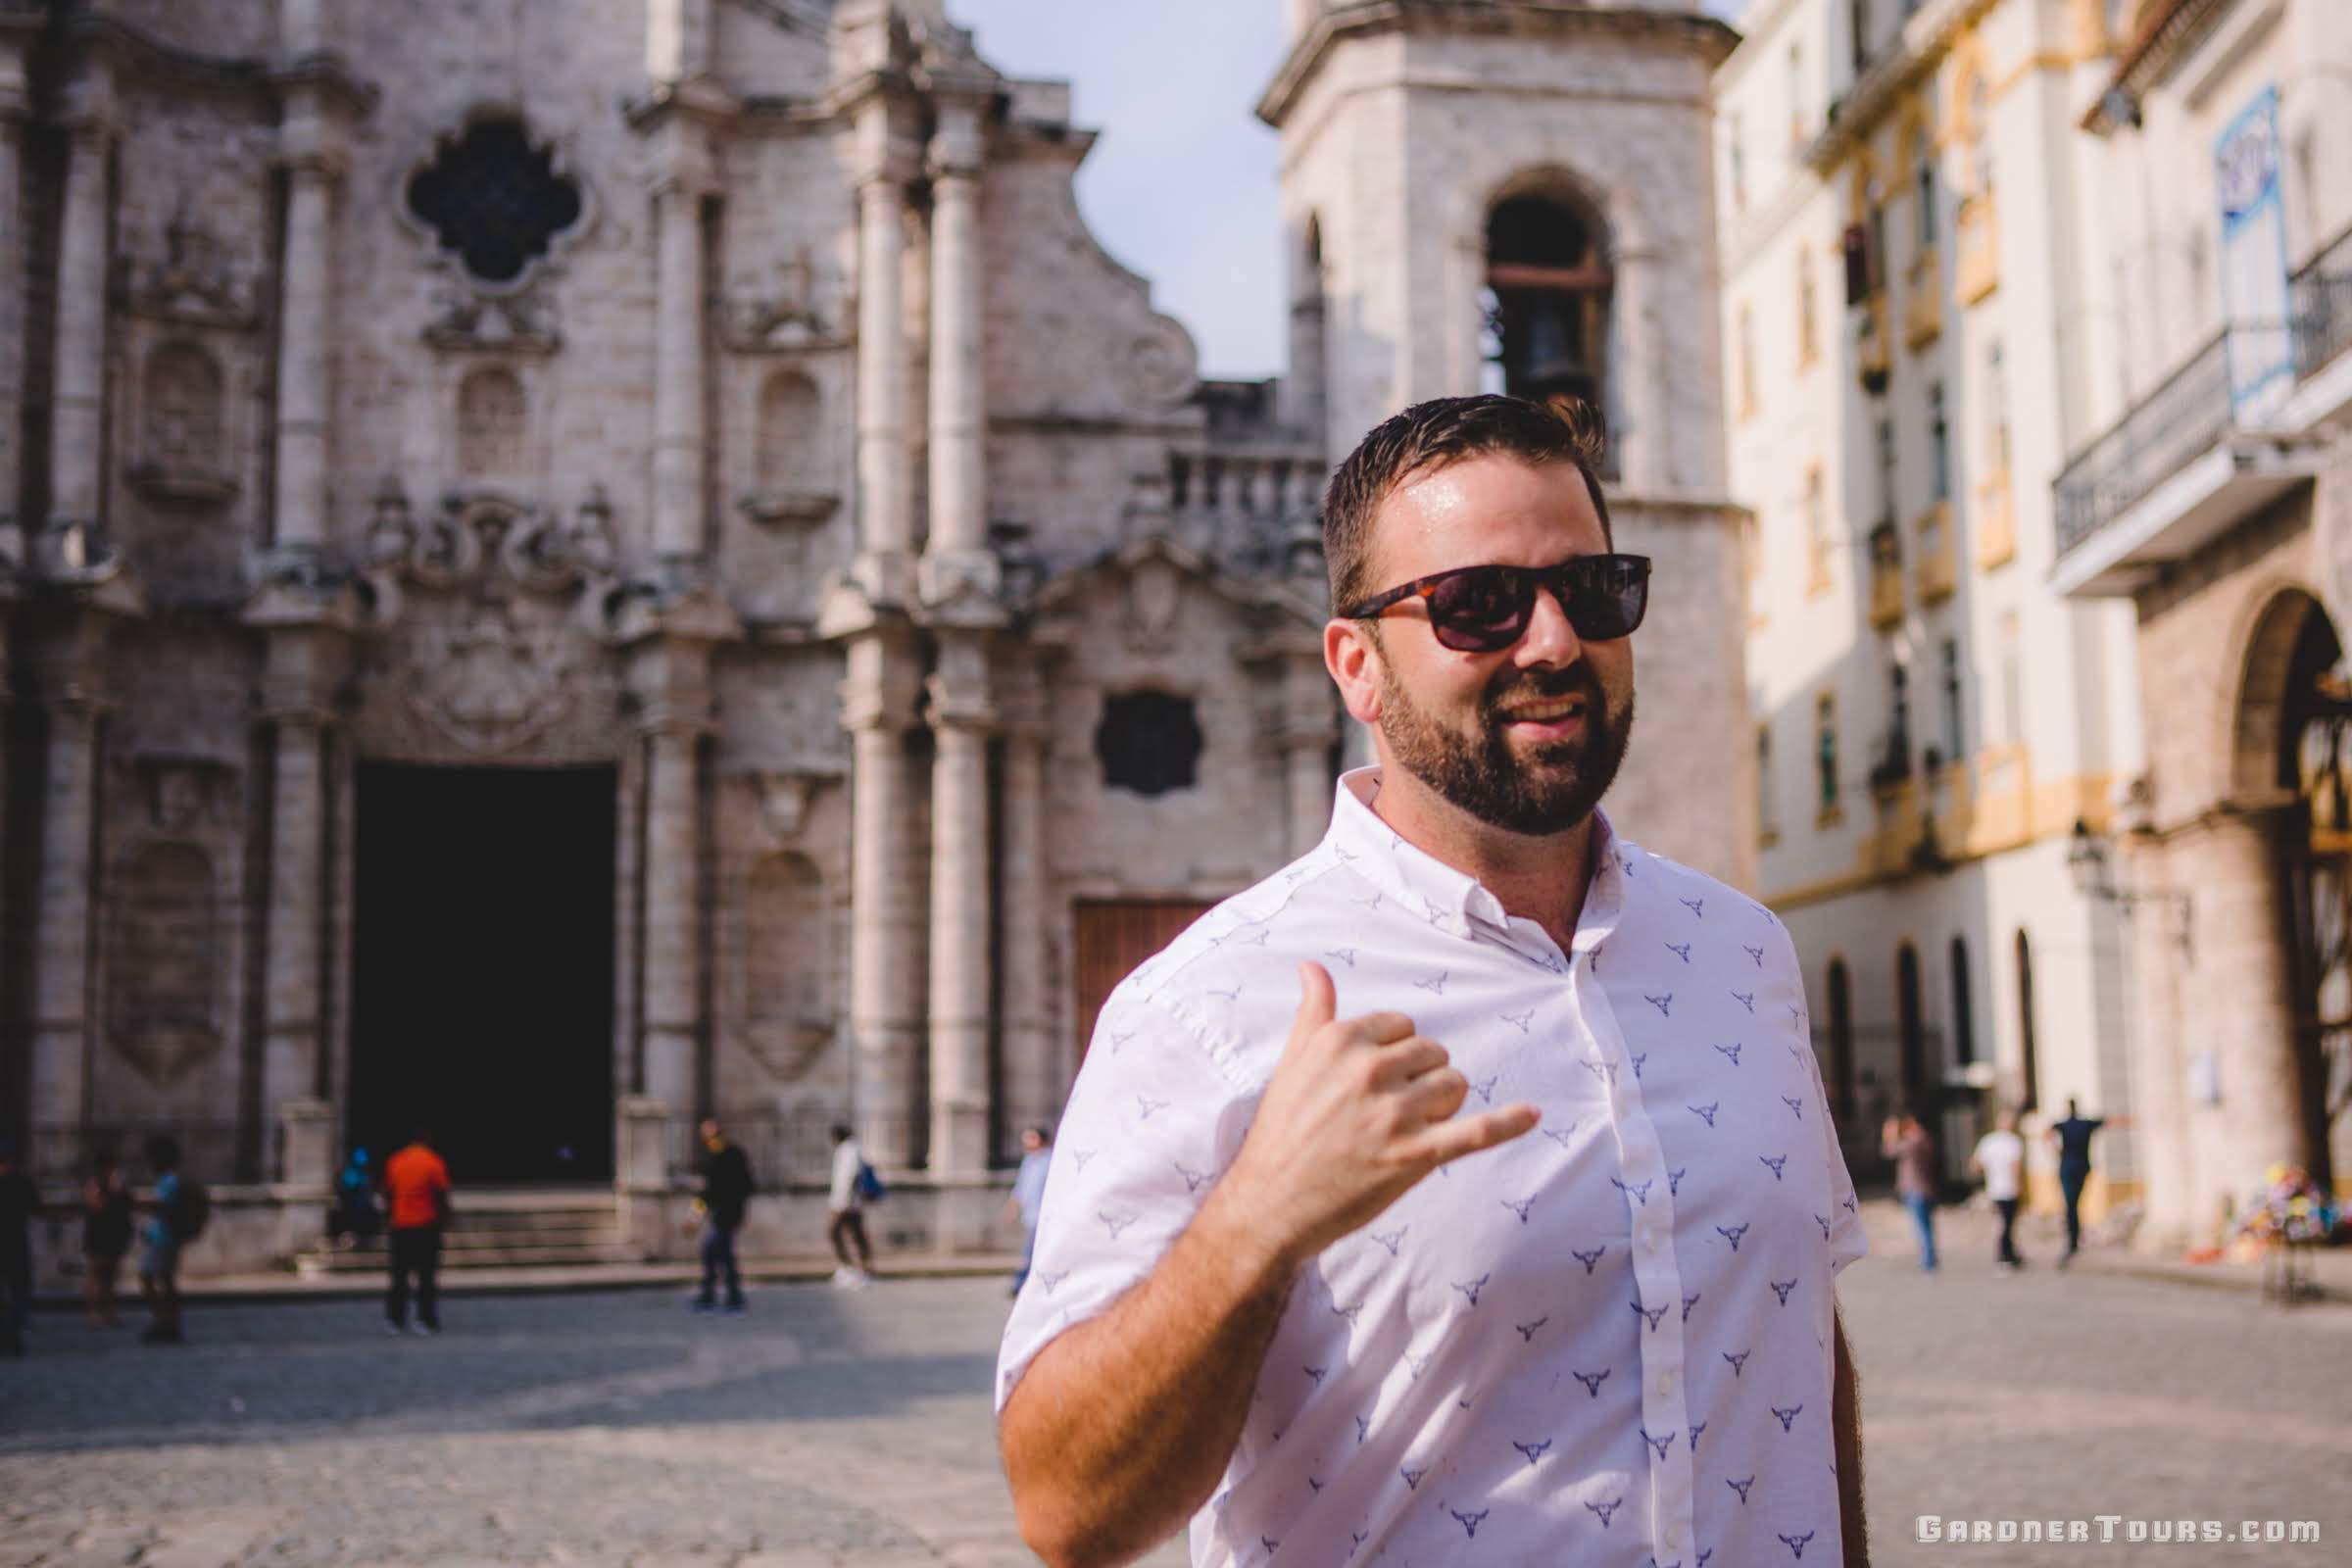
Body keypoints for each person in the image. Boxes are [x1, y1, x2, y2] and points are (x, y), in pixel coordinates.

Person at [997, 396, 1870, 1567]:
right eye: (1478, 604)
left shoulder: (1744, 950)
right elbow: (1065, 1511)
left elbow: (1796, 1342)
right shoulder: (1205, 1007)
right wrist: (1255, 1221)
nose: (1554, 641)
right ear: (1355, 665)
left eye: (1595, 590)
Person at [381, 1128, 451, 1336]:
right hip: (425, 1225)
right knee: (426, 1277)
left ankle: (395, 1319)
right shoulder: (433, 1161)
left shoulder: (397, 1161)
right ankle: (425, 1319)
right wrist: (444, 1219)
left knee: (399, 1276)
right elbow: (441, 1193)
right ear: (427, 1140)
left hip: (401, 1225)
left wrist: (390, 1217)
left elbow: (387, 1191)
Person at [2047, 1097, 2129, 1265]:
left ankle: (2073, 1241)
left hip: (2068, 1167)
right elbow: (2110, 1121)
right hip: (2083, 1167)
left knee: (2071, 1205)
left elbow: (2046, 1133)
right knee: (2075, 1203)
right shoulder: (2085, 1124)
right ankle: (2074, 1238)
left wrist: (2057, 1151)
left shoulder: (2063, 1125)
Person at [692, 1119, 754, 1314]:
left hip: (725, 1215)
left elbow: (709, 1192)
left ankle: (718, 1296)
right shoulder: (728, 1154)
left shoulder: (720, 1156)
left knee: (712, 1253)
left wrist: (694, 1216)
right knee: (722, 1255)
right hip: (728, 1214)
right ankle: (728, 1296)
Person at [138, 1135, 189, 1346]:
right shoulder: (168, 1180)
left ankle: (165, 1320)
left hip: (164, 1239)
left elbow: (163, 1206)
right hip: (162, 1237)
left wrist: (137, 1201)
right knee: (163, 1280)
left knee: (152, 1278)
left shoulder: (170, 1181)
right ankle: (167, 1320)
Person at [1970, 1108, 2027, 1271]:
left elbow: (1975, 1164)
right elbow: (2016, 1166)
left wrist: (1988, 1171)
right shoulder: (2013, 1142)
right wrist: (2018, 1185)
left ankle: (2010, 1253)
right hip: (2008, 1188)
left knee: (2005, 1222)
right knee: (2008, 1222)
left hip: (1994, 1188)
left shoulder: (1988, 1141)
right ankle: (2005, 1254)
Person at [1883, 1108, 1939, 1272]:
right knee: (1926, 1224)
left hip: (1915, 1189)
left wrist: (1889, 1134)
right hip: (1925, 1188)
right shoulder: (1925, 1139)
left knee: (1921, 1226)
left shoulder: (1913, 1141)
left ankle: (1927, 1259)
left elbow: (1889, 1151)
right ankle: (1929, 1256)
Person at [81, 1151, 134, 1325]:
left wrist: (119, 1190)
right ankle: (94, 1313)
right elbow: (96, 1207)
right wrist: (112, 1190)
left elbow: (129, 1203)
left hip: (115, 1235)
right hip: (98, 1235)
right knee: (97, 1275)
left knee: (111, 1276)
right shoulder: (95, 1184)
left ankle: (109, 1312)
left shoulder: (119, 1184)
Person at [1002, 1125, 1053, 1297]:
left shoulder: (1051, 1161)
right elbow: (1020, 1188)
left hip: (1044, 1217)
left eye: (1031, 1138)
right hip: (1030, 1215)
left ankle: (1019, 1284)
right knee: (1035, 1252)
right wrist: (1012, 1209)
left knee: (1031, 1252)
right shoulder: (1029, 1161)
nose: (1026, 1143)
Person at [0, 1138, 35, 1356]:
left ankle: (8, 1332)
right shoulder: (22, 1183)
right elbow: (36, 1208)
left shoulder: (22, 1183)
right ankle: (10, 1333)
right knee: (19, 1292)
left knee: (17, 1291)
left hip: (13, 1245)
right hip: (15, 1245)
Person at [827, 1124, 873, 1288]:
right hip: (845, 1202)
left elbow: (854, 1176)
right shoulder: (848, 1150)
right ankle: (856, 1270)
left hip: (846, 1203)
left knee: (837, 1233)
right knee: (854, 1235)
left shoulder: (850, 1150)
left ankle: (853, 1270)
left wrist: (846, 1201)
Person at [328, 1147, 381, 1250]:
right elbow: (347, 1190)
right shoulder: (351, 1173)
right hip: (352, 1208)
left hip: (363, 1207)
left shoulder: (364, 1174)